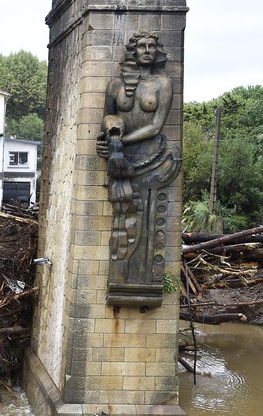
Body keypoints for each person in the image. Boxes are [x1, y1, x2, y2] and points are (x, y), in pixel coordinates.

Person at [97, 31, 180, 290]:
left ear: (157, 52)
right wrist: (108, 140)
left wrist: (121, 142)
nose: (146, 50)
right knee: (124, 218)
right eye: (142, 46)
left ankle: (143, 282)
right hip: (120, 161)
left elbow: (156, 126)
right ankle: (122, 278)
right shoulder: (115, 86)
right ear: (134, 51)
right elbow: (108, 119)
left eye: (151, 46)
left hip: (152, 159)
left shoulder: (163, 84)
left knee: (145, 219)